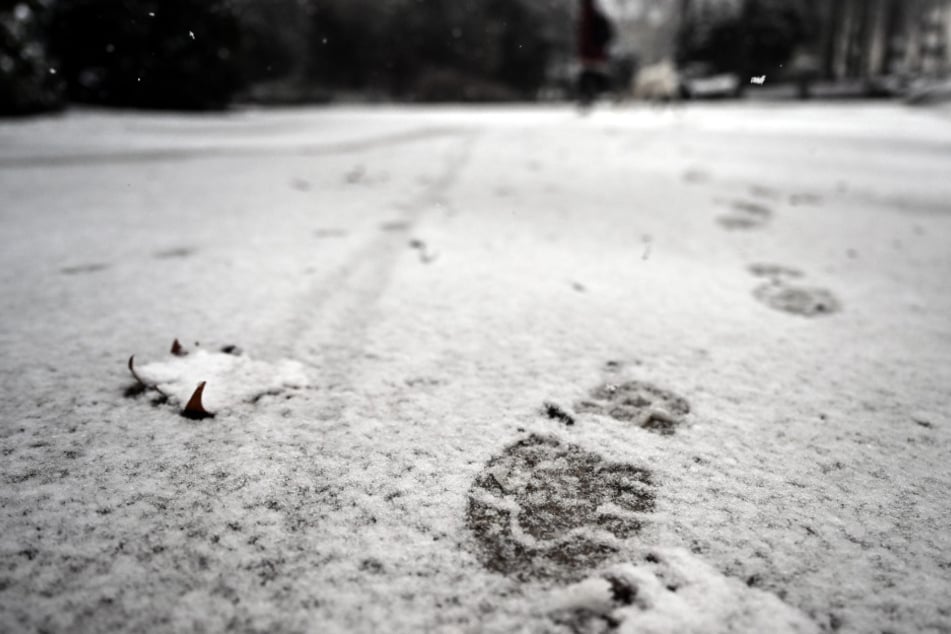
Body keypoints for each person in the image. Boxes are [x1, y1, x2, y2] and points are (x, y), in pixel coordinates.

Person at [577, 0, 614, 107]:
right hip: (594, 51)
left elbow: (585, 34)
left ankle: (592, 96)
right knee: (591, 74)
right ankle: (595, 95)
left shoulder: (588, 13)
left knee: (589, 74)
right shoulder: (593, 12)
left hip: (591, 51)